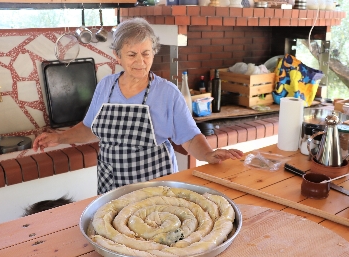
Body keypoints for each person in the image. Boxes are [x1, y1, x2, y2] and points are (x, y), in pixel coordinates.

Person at [33, 17, 243, 194]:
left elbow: (189, 137)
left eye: (146, 53)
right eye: (132, 54)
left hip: (155, 186)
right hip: (112, 185)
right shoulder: (106, 86)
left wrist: (208, 154)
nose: (140, 61)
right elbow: (90, 128)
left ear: (154, 52)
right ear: (118, 56)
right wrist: (59, 138)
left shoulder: (167, 93)